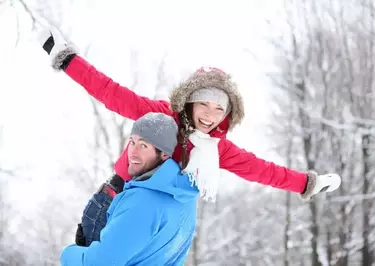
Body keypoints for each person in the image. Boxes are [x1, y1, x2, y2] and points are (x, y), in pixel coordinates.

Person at [38, 26, 342, 246]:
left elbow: (263, 171)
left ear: (227, 114)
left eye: (219, 108)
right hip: (114, 201)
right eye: (204, 104)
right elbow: (111, 93)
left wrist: (306, 183)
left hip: (154, 222)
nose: (210, 114)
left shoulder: (218, 149)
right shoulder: (162, 116)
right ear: (190, 101)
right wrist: (67, 59)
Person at [60, 112, 199, 266]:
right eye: (132, 142)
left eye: (143, 145)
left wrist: (70, 253)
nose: (133, 152)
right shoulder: (185, 195)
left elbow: (97, 263)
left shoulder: (141, 202)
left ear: (164, 154)